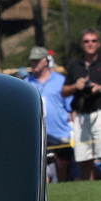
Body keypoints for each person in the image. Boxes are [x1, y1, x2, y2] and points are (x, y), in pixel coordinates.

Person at [64, 28, 101, 181]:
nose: (90, 44)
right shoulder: (74, 65)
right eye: (86, 41)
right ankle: (89, 192)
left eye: (93, 41)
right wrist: (75, 86)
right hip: (82, 114)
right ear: (81, 44)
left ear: (99, 44)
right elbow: (64, 91)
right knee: (85, 157)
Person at [26, 46, 73, 182]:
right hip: (36, 134)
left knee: (63, 166)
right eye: (32, 61)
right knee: (39, 170)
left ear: (46, 61)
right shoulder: (26, 83)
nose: (34, 64)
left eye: (37, 61)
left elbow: (70, 106)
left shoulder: (61, 80)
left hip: (60, 133)